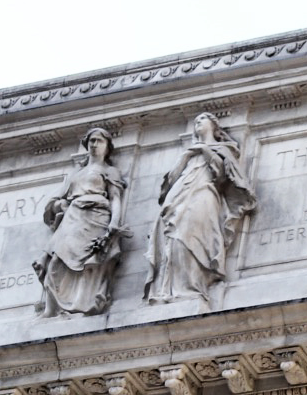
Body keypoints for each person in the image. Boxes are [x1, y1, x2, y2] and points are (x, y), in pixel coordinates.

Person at [145, 113, 257, 304]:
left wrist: (204, 149)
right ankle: (171, 290)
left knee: (191, 235)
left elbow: (223, 174)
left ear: (214, 126)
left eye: (202, 120)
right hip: (179, 195)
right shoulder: (189, 152)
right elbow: (171, 180)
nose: (197, 122)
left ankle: (192, 286)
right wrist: (187, 155)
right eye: (195, 121)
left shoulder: (223, 148)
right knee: (173, 238)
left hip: (204, 192)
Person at [34, 127, 126, 317]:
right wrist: (59, 205)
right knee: (56, 262)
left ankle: (83, 302)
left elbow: (115, 198)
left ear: (107, 147)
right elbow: (56, 200)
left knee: (88, 263)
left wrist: (114, 223)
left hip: (95, 218)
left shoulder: (110, 171)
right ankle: (52, 308)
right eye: (91, 141)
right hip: (72, 218)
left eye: (99, 141)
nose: (94, 144)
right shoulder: (75, 175)